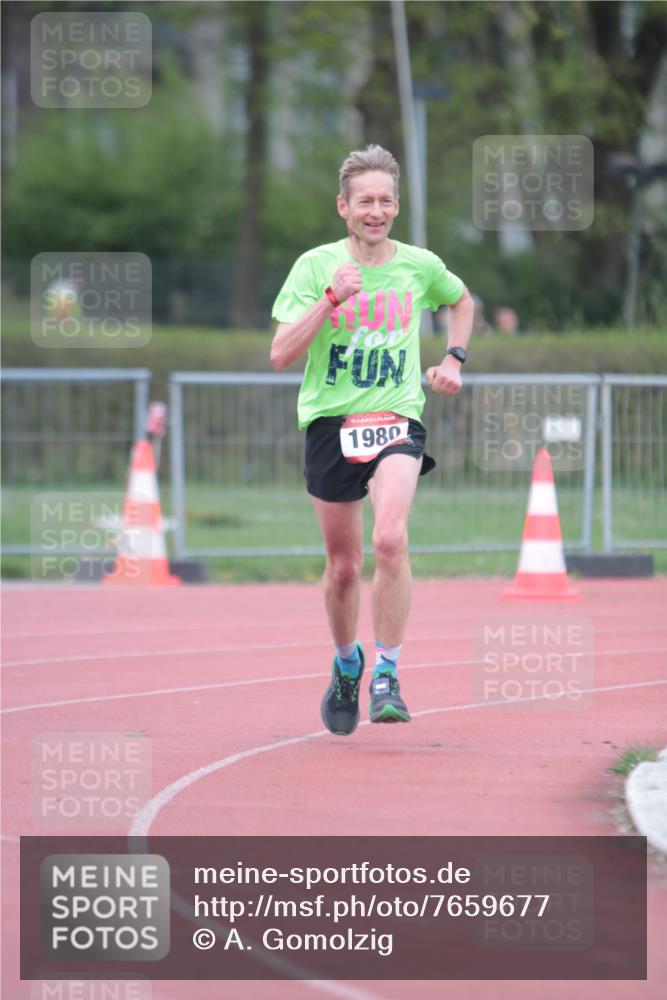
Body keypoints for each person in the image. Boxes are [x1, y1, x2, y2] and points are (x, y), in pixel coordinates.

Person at [270, 144, 474, 735]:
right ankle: (346, 664)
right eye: (365, 201)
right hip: (331, 423)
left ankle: (387, 671)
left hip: (396, 417)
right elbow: (280, 354)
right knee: (343, 568)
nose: (376, 210)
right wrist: (331, 299)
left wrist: (454, 359)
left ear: (397, 206)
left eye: (385, 200)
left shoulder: (419, 265)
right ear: (344, 207)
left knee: (389, 539)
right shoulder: (314, 267)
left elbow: (461, 301)